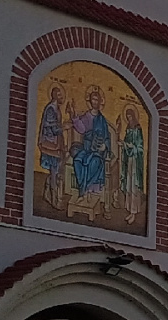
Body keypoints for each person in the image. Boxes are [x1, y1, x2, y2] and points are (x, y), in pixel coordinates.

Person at [70, 86, 113, 216]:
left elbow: (107, 138)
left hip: (97, 153)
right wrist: (73, 116)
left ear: (100, 102)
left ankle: (86, 191)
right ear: (90, 100)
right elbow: (81, 129)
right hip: (86, 149)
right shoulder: (87, 116)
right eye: (93, 99)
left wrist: (104, 147)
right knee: (78, 160)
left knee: (93, 163)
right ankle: (82, 192)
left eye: (97, 99)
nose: (95, 102)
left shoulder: (102, 120)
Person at [36, 85, 68, 208]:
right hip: (50, 144)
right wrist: (64, 127)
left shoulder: (56, 108)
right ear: (54, 96)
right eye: (59, 95)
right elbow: (52, 128)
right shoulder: (50, 109)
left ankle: (46, 192)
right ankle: (54, 199)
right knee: (54, 170)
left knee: (57, 169)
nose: (62, 97)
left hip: (56, 143)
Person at [119, 108, 146, 223]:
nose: (129, 119)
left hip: (135, 161)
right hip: (128, 160)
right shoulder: (128, 130)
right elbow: (127, 144)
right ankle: (130, 211)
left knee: (134, 186)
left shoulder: (137, 129)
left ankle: (134, 213)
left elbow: (139, 148)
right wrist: (123, 145)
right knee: (128, 185)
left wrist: (128, 146)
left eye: (130, 117)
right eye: (127, 117)